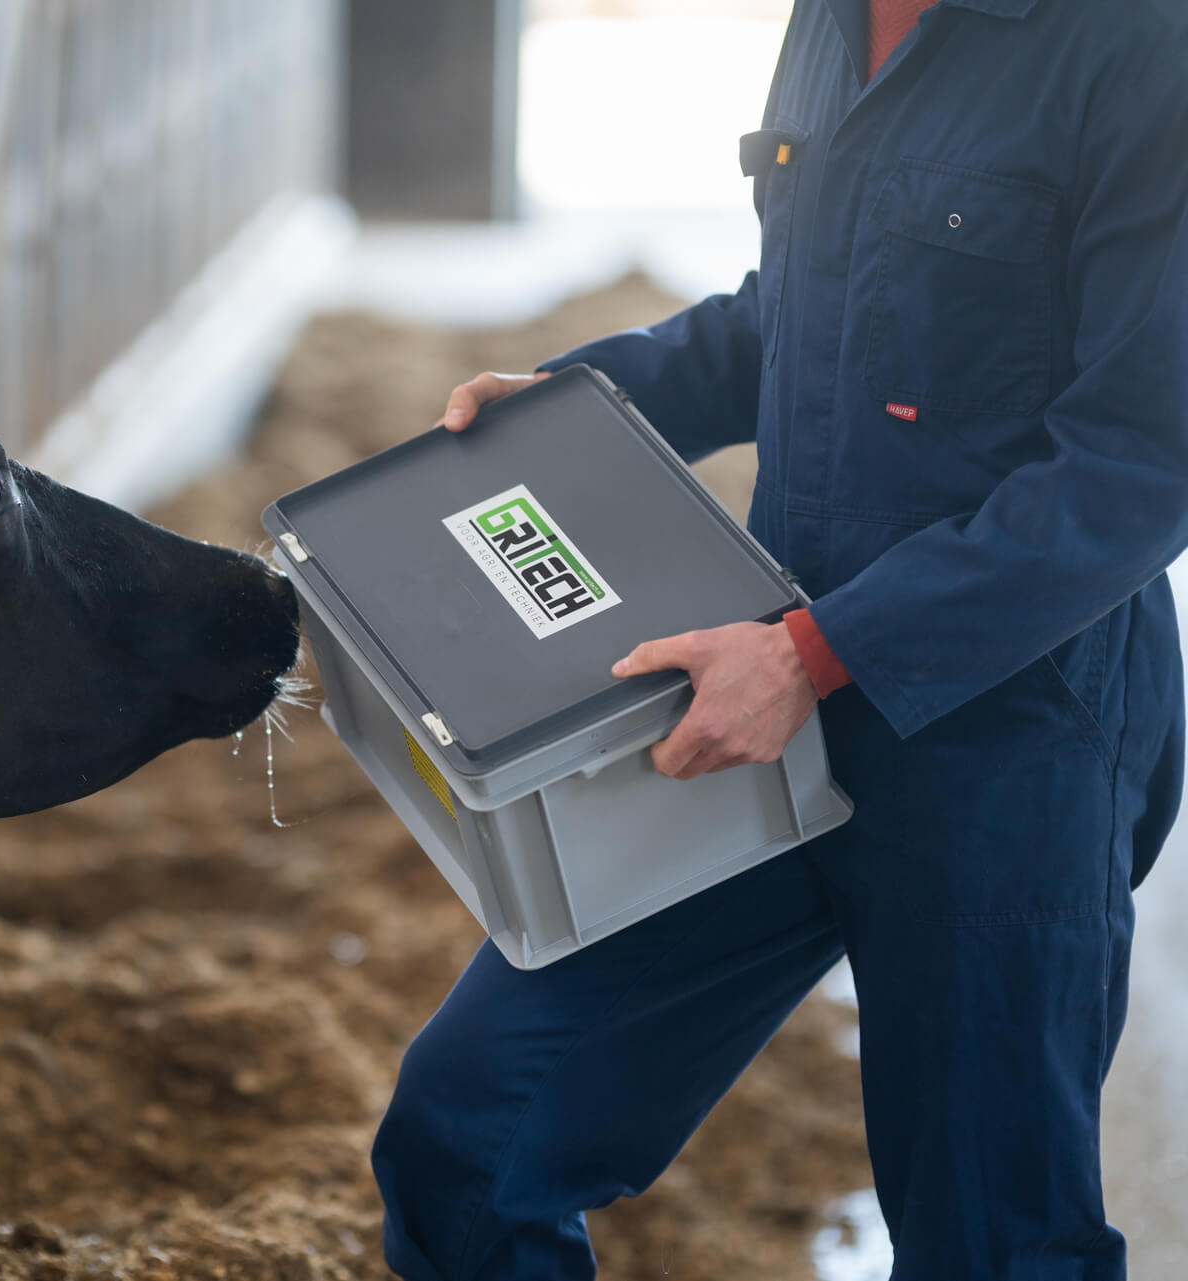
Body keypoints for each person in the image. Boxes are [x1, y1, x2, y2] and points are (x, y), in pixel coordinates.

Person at [369, 1, 1188, 1277]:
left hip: (1007, 739)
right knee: (471, 1137)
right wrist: (588, 402)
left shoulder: (1138, 42)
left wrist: (817, 652)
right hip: (760, 695)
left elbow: (1143, 463)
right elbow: (805, 307)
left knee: (991, 1245)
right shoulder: (831, 19)